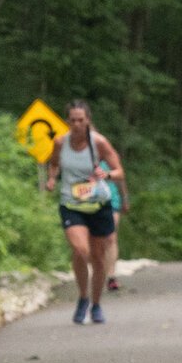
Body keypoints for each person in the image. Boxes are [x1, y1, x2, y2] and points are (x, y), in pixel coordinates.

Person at [43, 100, 125, 324]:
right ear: (67, 121)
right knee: (81, 250)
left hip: (99, 204)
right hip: (71, 204)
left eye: (81, 120)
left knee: (98, 258)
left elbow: (119, 172)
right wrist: (52, 179)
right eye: (73, 120)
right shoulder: (61, 142)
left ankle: (95, 304)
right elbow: (53, 164)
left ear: (87, 120)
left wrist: (106, 175)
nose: (77, 124)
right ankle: (82, 296)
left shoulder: (99, 143)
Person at [105, 167, 130, 292]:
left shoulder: (108, 155)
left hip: (111, 202)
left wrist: (124, 198)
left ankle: (111, 276)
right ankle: (98, 272)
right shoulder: (81, 156)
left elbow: (120, 177)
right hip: (88, 203)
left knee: (110, 238)